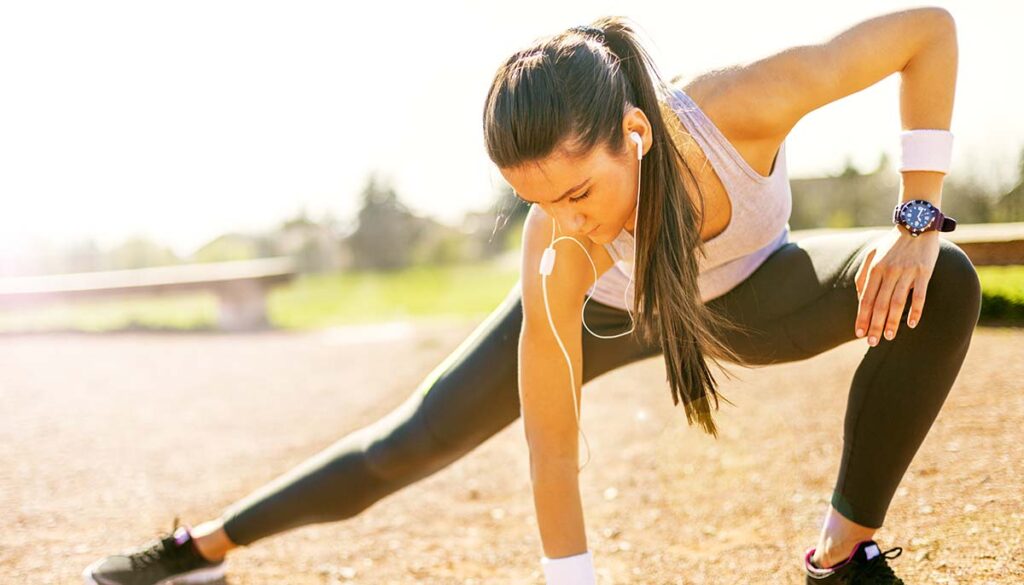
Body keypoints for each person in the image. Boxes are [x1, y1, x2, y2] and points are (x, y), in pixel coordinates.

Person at [83, 9, 976, 585]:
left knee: (947, 279)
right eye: (537, 202)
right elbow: (555, 453)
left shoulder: (736, 107)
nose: (565, 223)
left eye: (579, 193)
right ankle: (204, 545)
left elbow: (927, 33)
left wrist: (917, 218)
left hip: (750, 299)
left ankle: (840, 552)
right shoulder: (560, 251)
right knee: (410, 438)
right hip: (608, 314)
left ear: (635, 133)